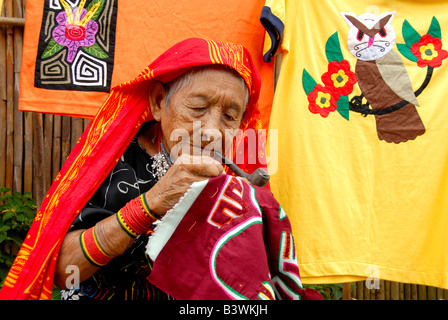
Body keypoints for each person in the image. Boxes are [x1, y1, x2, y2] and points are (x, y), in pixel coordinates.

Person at [0, 38, 321, 300]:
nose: (212, 131)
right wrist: (152, 203)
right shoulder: (112, 163)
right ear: (157, 102)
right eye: (198, 108)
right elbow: (64, 272)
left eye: (229, 116)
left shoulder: (232, 183)